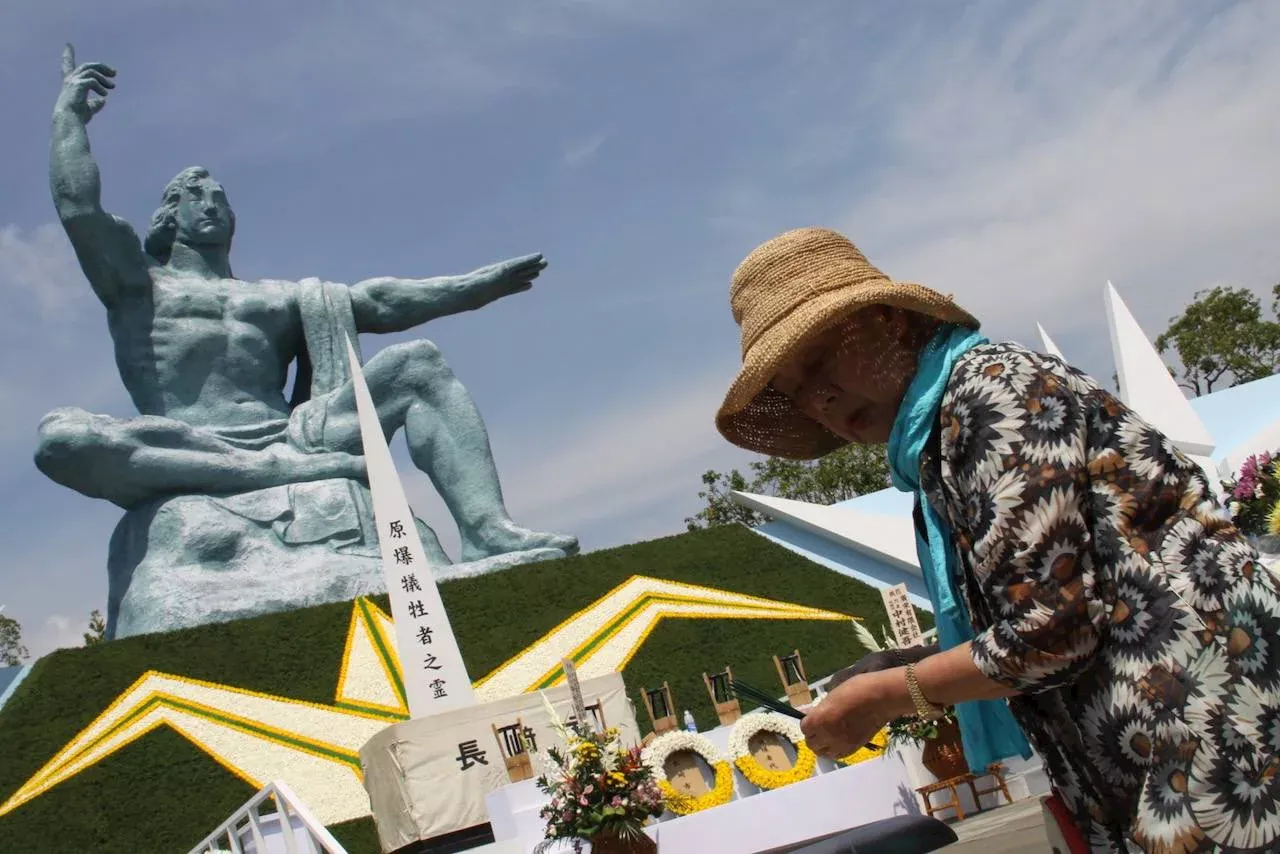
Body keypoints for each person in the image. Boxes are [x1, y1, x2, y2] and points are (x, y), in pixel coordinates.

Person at [715, 227, 1280, 852]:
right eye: (795, 392)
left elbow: (1052, 629)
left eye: (819, 360)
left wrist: (885, 696)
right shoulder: (941, 448)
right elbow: (1039, 608)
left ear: (888, 322)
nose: (817, 398)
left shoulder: (991, 393)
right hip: (1168, 753)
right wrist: (897, 667)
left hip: (1220, 746)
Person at [40, 45, 576, 563]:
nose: (211, 206)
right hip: (188, 440)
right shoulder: (139, 286)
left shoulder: (275, 298)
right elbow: (77, 207)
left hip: (294, 435)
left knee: (419, 364)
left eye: (220, 199)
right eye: (194, 197)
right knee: (64, 439)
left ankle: (486, 531)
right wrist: (70, 116)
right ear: (167, 217)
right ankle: (268, 475)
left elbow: (377, 301)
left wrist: (474, 287)